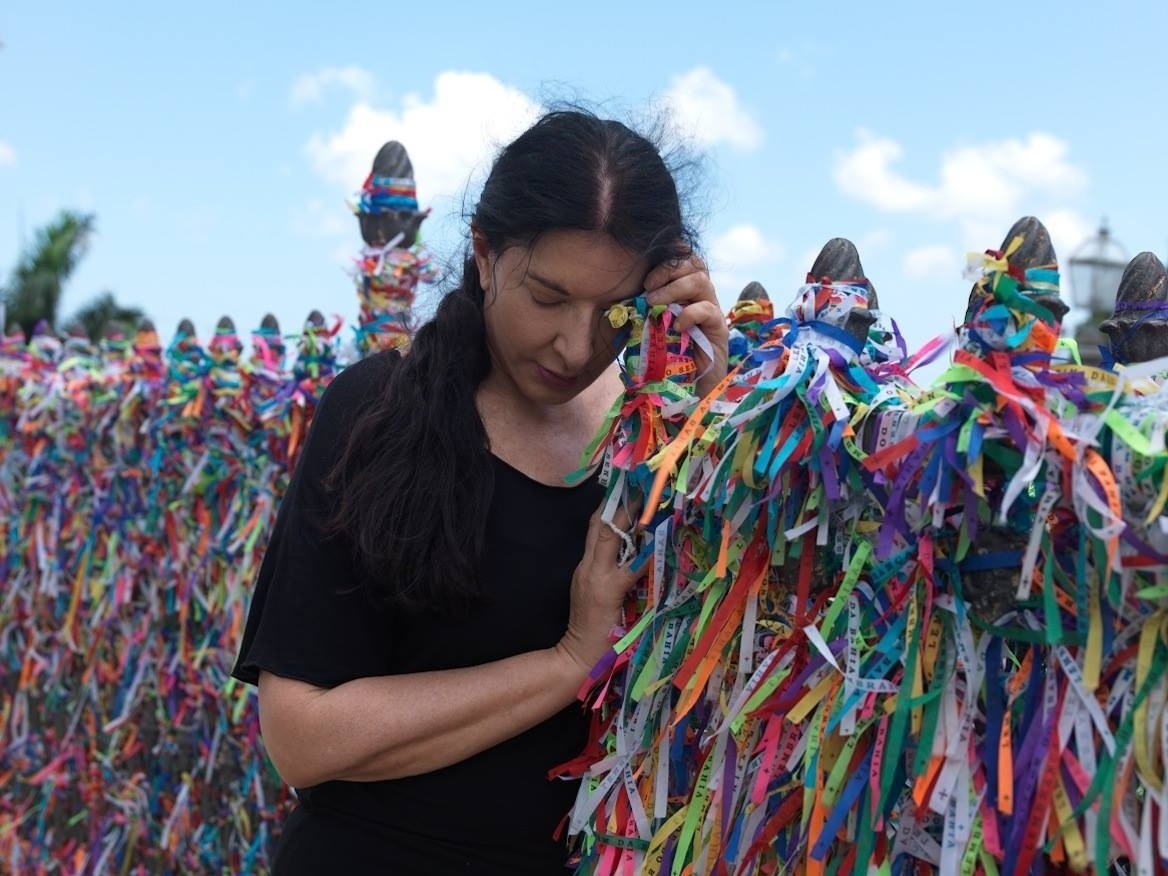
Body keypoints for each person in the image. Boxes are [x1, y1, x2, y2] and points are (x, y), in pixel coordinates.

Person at [231, 108, 729, 874]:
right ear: (486, 255)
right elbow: (301, 739)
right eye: (549, 297)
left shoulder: (659, 446)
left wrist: (711, 408)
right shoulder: (376, 413)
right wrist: (568, 661)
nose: (573, 345)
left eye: (613, 313)